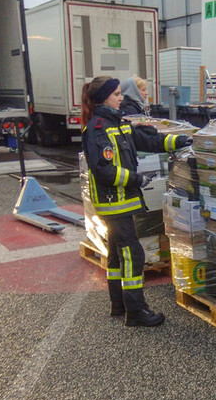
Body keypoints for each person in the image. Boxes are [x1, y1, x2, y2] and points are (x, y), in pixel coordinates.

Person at [81, 76, 192, 326]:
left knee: (116, 255)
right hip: (115, 203)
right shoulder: (99, 128)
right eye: (117, 94)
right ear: (104, 98)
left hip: (120, 202)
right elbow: (104, 170)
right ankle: (136, 312)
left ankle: (119, 304)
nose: (121, 98)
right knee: (132, 254)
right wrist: (136, 179)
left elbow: (148, 140)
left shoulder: (117, 124)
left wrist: (179, 140)